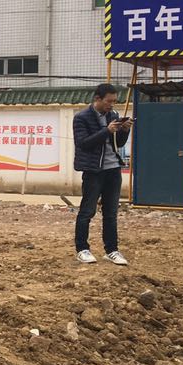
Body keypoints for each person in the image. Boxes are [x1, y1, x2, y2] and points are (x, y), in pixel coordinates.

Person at [73, 82, 132, 265]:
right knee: (87, 211)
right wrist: (106, 131)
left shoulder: (113, 116)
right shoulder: (81, 117)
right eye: (109, 101)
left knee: (111, 213)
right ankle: (82, 249)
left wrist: (125, 130)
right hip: (93, 171)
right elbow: (83, 143)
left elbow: (118, 143)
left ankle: (112, 250)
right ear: (97, 99)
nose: (111, 105)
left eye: (114, 101)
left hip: (113, 169)